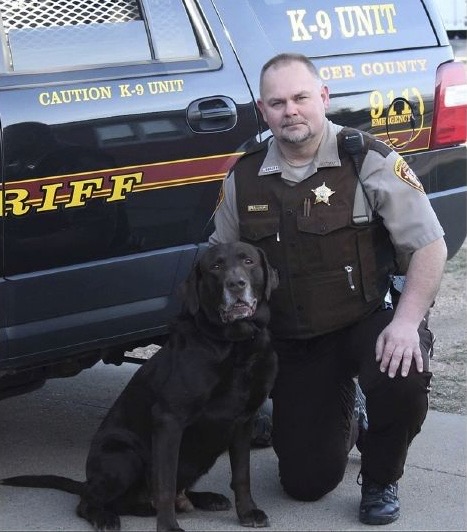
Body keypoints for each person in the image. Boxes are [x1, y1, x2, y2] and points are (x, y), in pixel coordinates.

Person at [209, 52, 447, 525]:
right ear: (263, 110)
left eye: (300, 97)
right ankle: (348, 416)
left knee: (402, 372)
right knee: (305, 484)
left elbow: (429, 246)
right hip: (296, 340)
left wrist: (405, 323)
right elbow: (219, 256)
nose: (290, 111)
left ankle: (381, 476)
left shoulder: (367, 159)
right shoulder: (244, 174)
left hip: (366, 319)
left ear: (323, 97)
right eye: (277, 103)